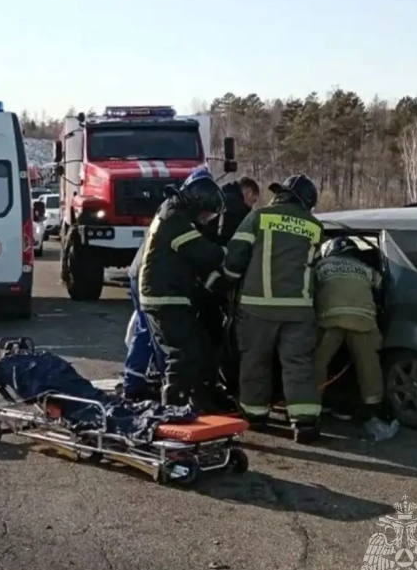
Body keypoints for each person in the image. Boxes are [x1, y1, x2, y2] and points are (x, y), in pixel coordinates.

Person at [220, 173, 323, 442]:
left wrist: (226, 282)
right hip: (299, 310)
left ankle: (256, 416)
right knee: (298, 365)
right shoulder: (314, 226)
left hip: (257, 308)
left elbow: (235, 257)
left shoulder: (259, 217)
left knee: (255, 361)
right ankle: (305, 422)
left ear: (282, 194)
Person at [137, 168, 228, 410]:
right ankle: (173, 409)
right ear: (199, 202)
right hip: (165, 297)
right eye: (207, 214)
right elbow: (204, 253)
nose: (206, 220)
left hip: (167, 295)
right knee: (181, 354)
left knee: (195, 349)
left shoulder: (172, 212)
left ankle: (197, 402)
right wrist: (227, 254)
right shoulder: (175, 219)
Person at [314, 237, 399, 441]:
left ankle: (313, 404)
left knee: (318, 363)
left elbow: (310, 291)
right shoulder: (365, 267)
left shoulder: (321, 266)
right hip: (363, 321)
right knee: (368, 365)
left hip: (330, 320)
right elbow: (382, 288)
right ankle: (372, 407)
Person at [122, 244, 166, 399]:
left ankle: (135, 381)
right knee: (150, 329)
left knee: (145, 327)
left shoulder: (165, 222)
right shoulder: (180, 223)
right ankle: (134, 384)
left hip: (139, 271)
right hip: (147, 275)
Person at [217, 177, 260, 246]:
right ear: (249, 192)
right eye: (253, 201)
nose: (251, 206)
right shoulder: (240, 209)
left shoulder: (222, 196)